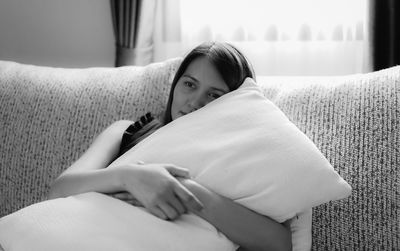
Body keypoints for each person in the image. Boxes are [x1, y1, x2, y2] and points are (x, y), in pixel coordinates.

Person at [48, 42, 292, 251]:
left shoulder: (235, 158)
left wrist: (184, 190)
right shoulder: (126, 131)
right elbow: (59, 190)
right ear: (175, 85)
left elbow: (280, 244)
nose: (195, 101)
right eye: (189, 84)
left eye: (214, 95)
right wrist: (129, 177)